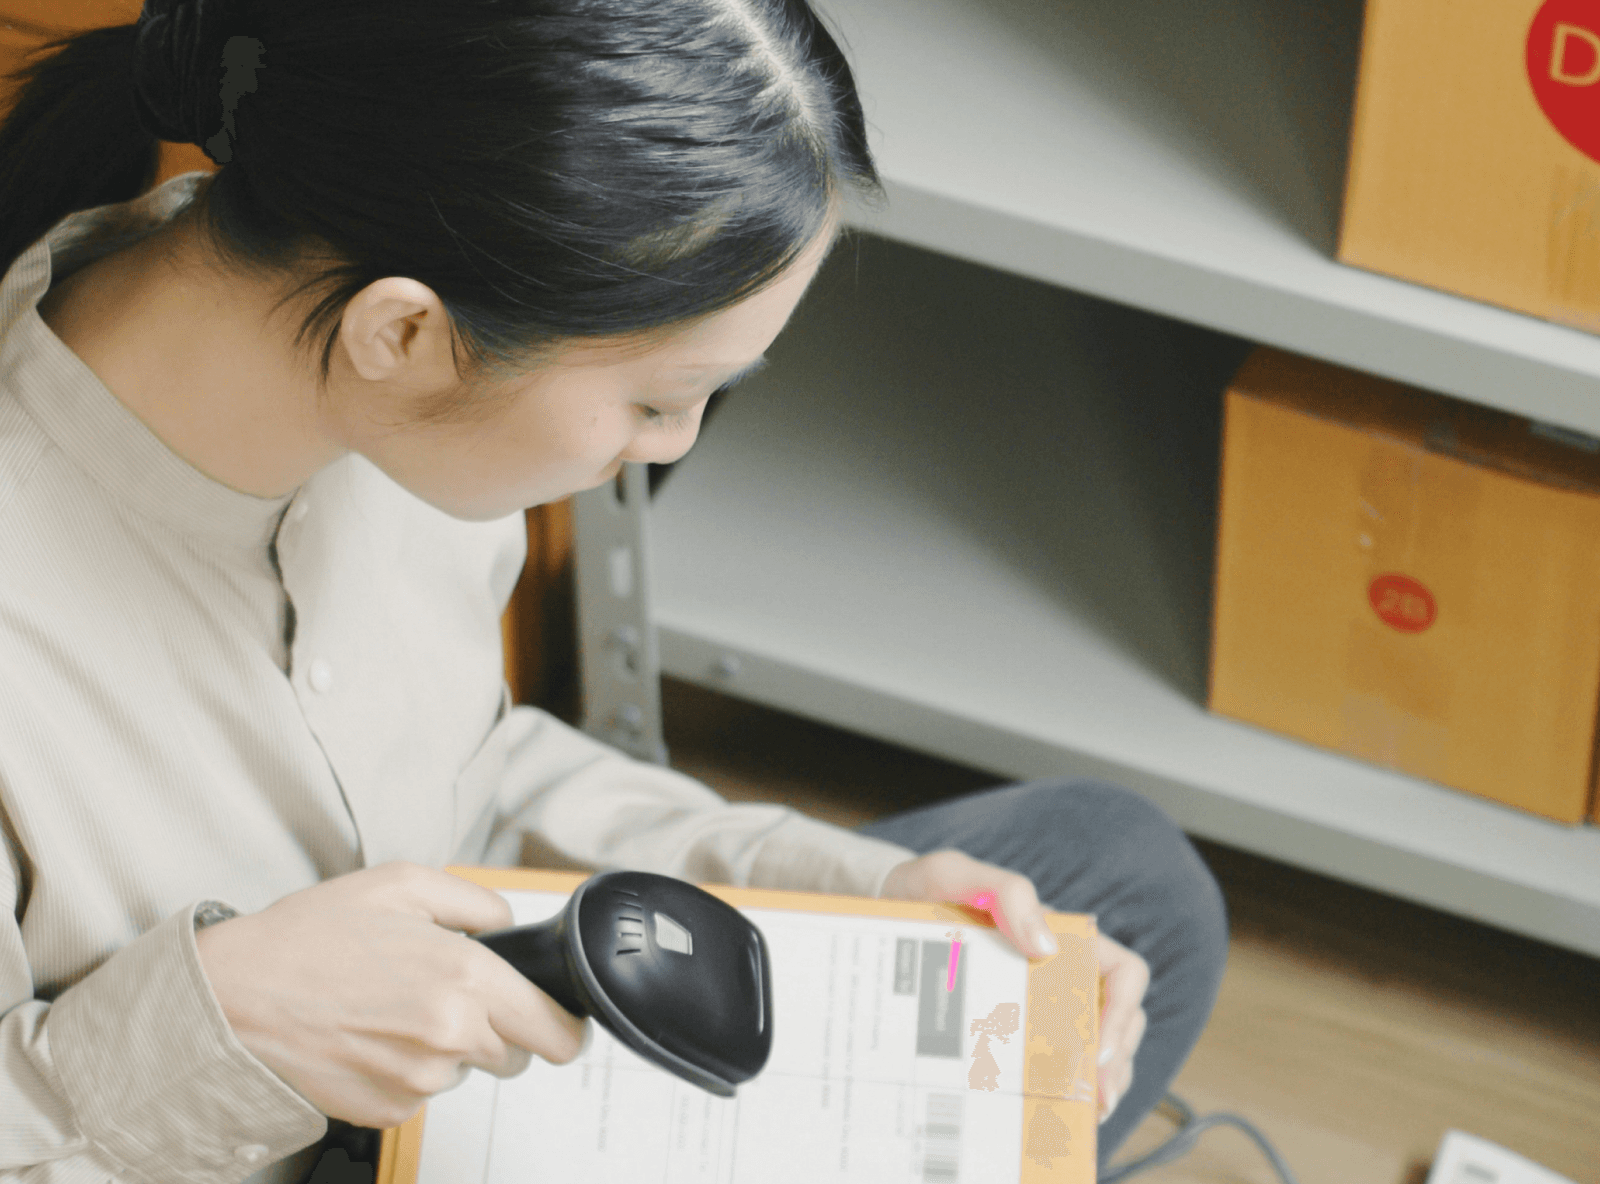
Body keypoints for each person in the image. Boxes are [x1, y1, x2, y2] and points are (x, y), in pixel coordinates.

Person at [0, 1, 1228, 1181]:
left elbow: (459, 775)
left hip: (454, 1091)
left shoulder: (372, 399)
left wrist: (854, 902)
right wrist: (223, 1027)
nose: (672, 446)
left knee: (1115, 879)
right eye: (657, 398)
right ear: (405, 333)